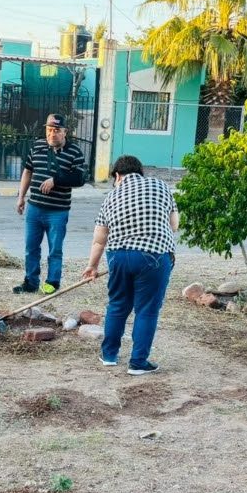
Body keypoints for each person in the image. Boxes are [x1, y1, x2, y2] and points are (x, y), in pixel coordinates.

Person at [82, 155, 178, 375]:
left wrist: (92, 266)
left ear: (117, 176)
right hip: (154, 255)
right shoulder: (161, 186)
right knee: (146, 310)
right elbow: (174, 225)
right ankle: (137, 362)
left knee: (117, 305)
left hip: (119, 257)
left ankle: (109, 356)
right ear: (140, 172)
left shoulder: (111, 196)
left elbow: (99, 239)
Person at [14, 113, 88, 294]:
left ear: (65, 132)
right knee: (31, 247)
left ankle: (52, 283)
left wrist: (56, 180)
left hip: (58, 211)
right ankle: (30, 282)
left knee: (55, 250)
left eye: (56, 130)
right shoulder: (37, 146)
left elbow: (80, 179)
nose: (52, 134)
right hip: (35, 207)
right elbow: (27, 171)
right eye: (49, 130)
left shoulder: (75, 152)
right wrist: (21, 196)